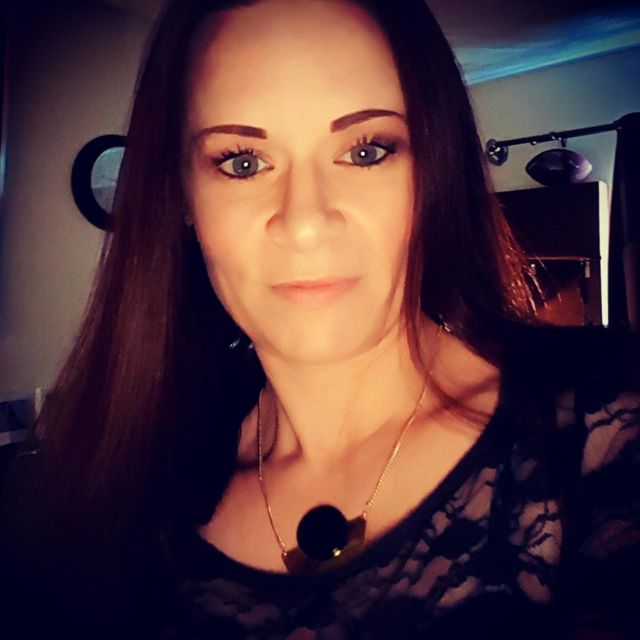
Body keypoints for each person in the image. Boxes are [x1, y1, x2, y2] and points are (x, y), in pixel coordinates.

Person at [1, 0, 639, 638]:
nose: (305, 222)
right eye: (243, 162)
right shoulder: (120, 495)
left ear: (431, 174)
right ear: (184, 198)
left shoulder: (607, 426)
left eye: (365, 151)